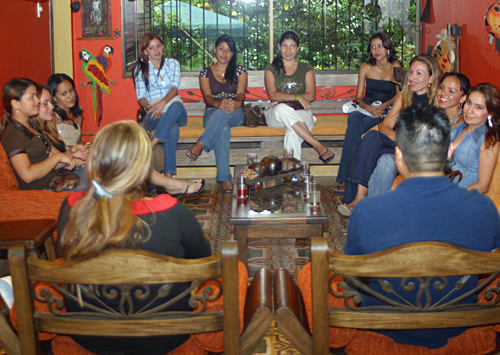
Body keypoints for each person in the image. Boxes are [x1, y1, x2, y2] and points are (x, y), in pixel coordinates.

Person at [346, 104, 500, 348]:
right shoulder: (485, 209)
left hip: (385, 324)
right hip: (457, 323)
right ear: (450, 151)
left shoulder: (366, 211)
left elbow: (353, 277)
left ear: (398, 155)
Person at [56, 120, 211, 354]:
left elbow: (63, 256)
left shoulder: (71, 209)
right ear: (144, 168)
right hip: (166, 337)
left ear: (95, 162)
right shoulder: (172, 212)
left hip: (90, 337)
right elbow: (203, 261)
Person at [338, 54, 441, 216]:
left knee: (383, 157)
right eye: (411, 72)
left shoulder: (436, 101)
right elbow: (385, 127)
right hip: (399, 143)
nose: (412, 77)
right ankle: (359, 200)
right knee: (372, 139)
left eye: (419, 73)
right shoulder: (403, 97)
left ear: (431, 77)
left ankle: (357, 200)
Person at [368, 72, 471, 196]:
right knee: (386, 159)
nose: (444, 93)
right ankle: (377, 209)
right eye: (442, 88)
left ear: (463, 98)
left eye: (452, 91)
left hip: (437, 170)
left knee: (388, 161)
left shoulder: (462, 121)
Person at [335, 32, 402, 193]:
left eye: (380, 46)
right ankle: (349, 178)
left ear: (387, 48)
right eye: (373, 47)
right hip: (367, 109)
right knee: (353, 120)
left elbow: (401, 94)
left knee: (354, 131)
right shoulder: (365, 67)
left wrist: (385, 105)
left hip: (387, 111)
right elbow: (358, 97)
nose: (377, 50)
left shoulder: (395, 66)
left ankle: (348, 180)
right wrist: (368, 108)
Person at [185, 34, 248, 193]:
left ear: (233, 54)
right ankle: (225, 178)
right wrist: (218, 104)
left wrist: (236, 104)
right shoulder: (205, 73)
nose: (225, 53)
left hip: (236, 113)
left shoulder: (239, 70)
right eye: (221, 48)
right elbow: (207, 97)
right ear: (215, 50)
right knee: (223, 129)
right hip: (213, 111)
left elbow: (240, 94)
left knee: (226, 114)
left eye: (229, 50)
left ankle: (200, 144)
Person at [264, 30, 334, 163]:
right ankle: (317, 145)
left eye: (292, 46)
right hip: (277, 117)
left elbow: (311, 95)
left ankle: (293, 174)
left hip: (302, 112)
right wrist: (298, 97)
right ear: (279, 47)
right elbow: (273, 94)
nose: (288, 50)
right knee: (281, 109)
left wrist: (282, 98)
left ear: (298, 48)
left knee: (293, 132)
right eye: (285, 45)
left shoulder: (306, 68)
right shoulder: (271, 68)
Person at [0, 78, 78, 190]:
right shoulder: (13, 134)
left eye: (36, 96)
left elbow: (50, 164)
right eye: (32, 97)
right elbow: (27, 176)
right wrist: (58, 157)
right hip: (44, 188)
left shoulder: (31, 126)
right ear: (15, 103)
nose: (37, 100)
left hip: (58, 179)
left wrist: (69, 155)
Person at [133, 33, 187, 179]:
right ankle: (169, 177)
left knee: (175, 105)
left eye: (158, 46)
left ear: (163, 47)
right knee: (172, 129)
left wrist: (162, 103)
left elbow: (174, 89)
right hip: (154, 111)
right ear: (145, 51)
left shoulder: (173, 63)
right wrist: (150, 107)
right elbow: (141, 97)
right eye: (151, 48)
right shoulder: (140, 69)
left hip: (174, 105)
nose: (156, 50)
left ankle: (152, 143)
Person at [449, 83, 500, 191]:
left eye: (479, 107)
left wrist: (453, 197)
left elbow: (483, 185)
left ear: (490, 112)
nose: (470, 110)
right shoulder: (457, 128)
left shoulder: (489, 140)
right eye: (469, 102)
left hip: (462, 197)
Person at [46, 73, 87, 147]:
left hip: (77, 154)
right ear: (54, 97)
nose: (70, 96)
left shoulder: (77, 112)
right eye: (64, 94)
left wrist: (91, 147)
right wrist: (75, 149)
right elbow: (55, 145)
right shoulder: (52, 116)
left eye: (71, 91)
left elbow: (78, 141)